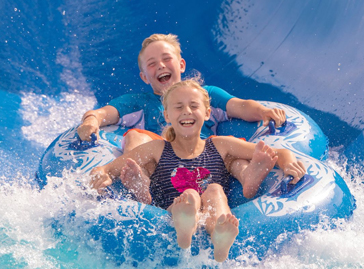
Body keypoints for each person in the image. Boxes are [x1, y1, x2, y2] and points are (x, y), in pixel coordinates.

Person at [90, 79, 306, 262]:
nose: (187, 111)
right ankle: (186, 226)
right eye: (178, 107)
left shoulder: (220, 145)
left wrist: (288, 163)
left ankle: (220, 236)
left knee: (214, 190)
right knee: (190, 196)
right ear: (166, 115)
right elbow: (108, 169)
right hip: (171, 208)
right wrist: (101, 176)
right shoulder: (156, 149)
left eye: (194, 106)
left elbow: (279, 152)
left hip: (211, 208)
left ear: (207, 113)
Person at [77, 33, 286, 197]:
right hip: (163, 166)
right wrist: (91, 120)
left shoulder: (205, 95)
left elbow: (239, 105)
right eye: (151, 64)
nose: (160, 65)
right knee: (136, 137)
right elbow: (104, 113)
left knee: (229, 147)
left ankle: (248, 176)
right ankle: (140, 180)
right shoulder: (138, 103)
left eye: (167, 59)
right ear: (144, 77)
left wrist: (263, 112)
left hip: (208, 161)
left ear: (181, 65)